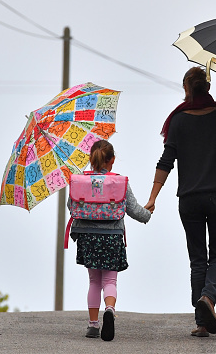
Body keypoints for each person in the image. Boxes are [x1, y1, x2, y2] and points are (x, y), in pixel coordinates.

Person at [144, 66, 216, 337]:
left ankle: (201, 322)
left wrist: (153, 197)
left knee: (198, 259)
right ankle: (208, 299)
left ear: (187, 88)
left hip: (189, 198)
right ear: (208, 88)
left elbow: (166, 161)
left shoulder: (177, 121)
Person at [67, 139, 151, 341]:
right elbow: (133, 210)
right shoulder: (119, 181)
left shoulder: (79, 181)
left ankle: (93, 325)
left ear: (91, 159)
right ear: (111, 160)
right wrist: (147, 213)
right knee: (110, 279)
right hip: (112, 236)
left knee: (94, 280)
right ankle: (110, 309)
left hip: (88, 237)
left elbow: (72, 207)